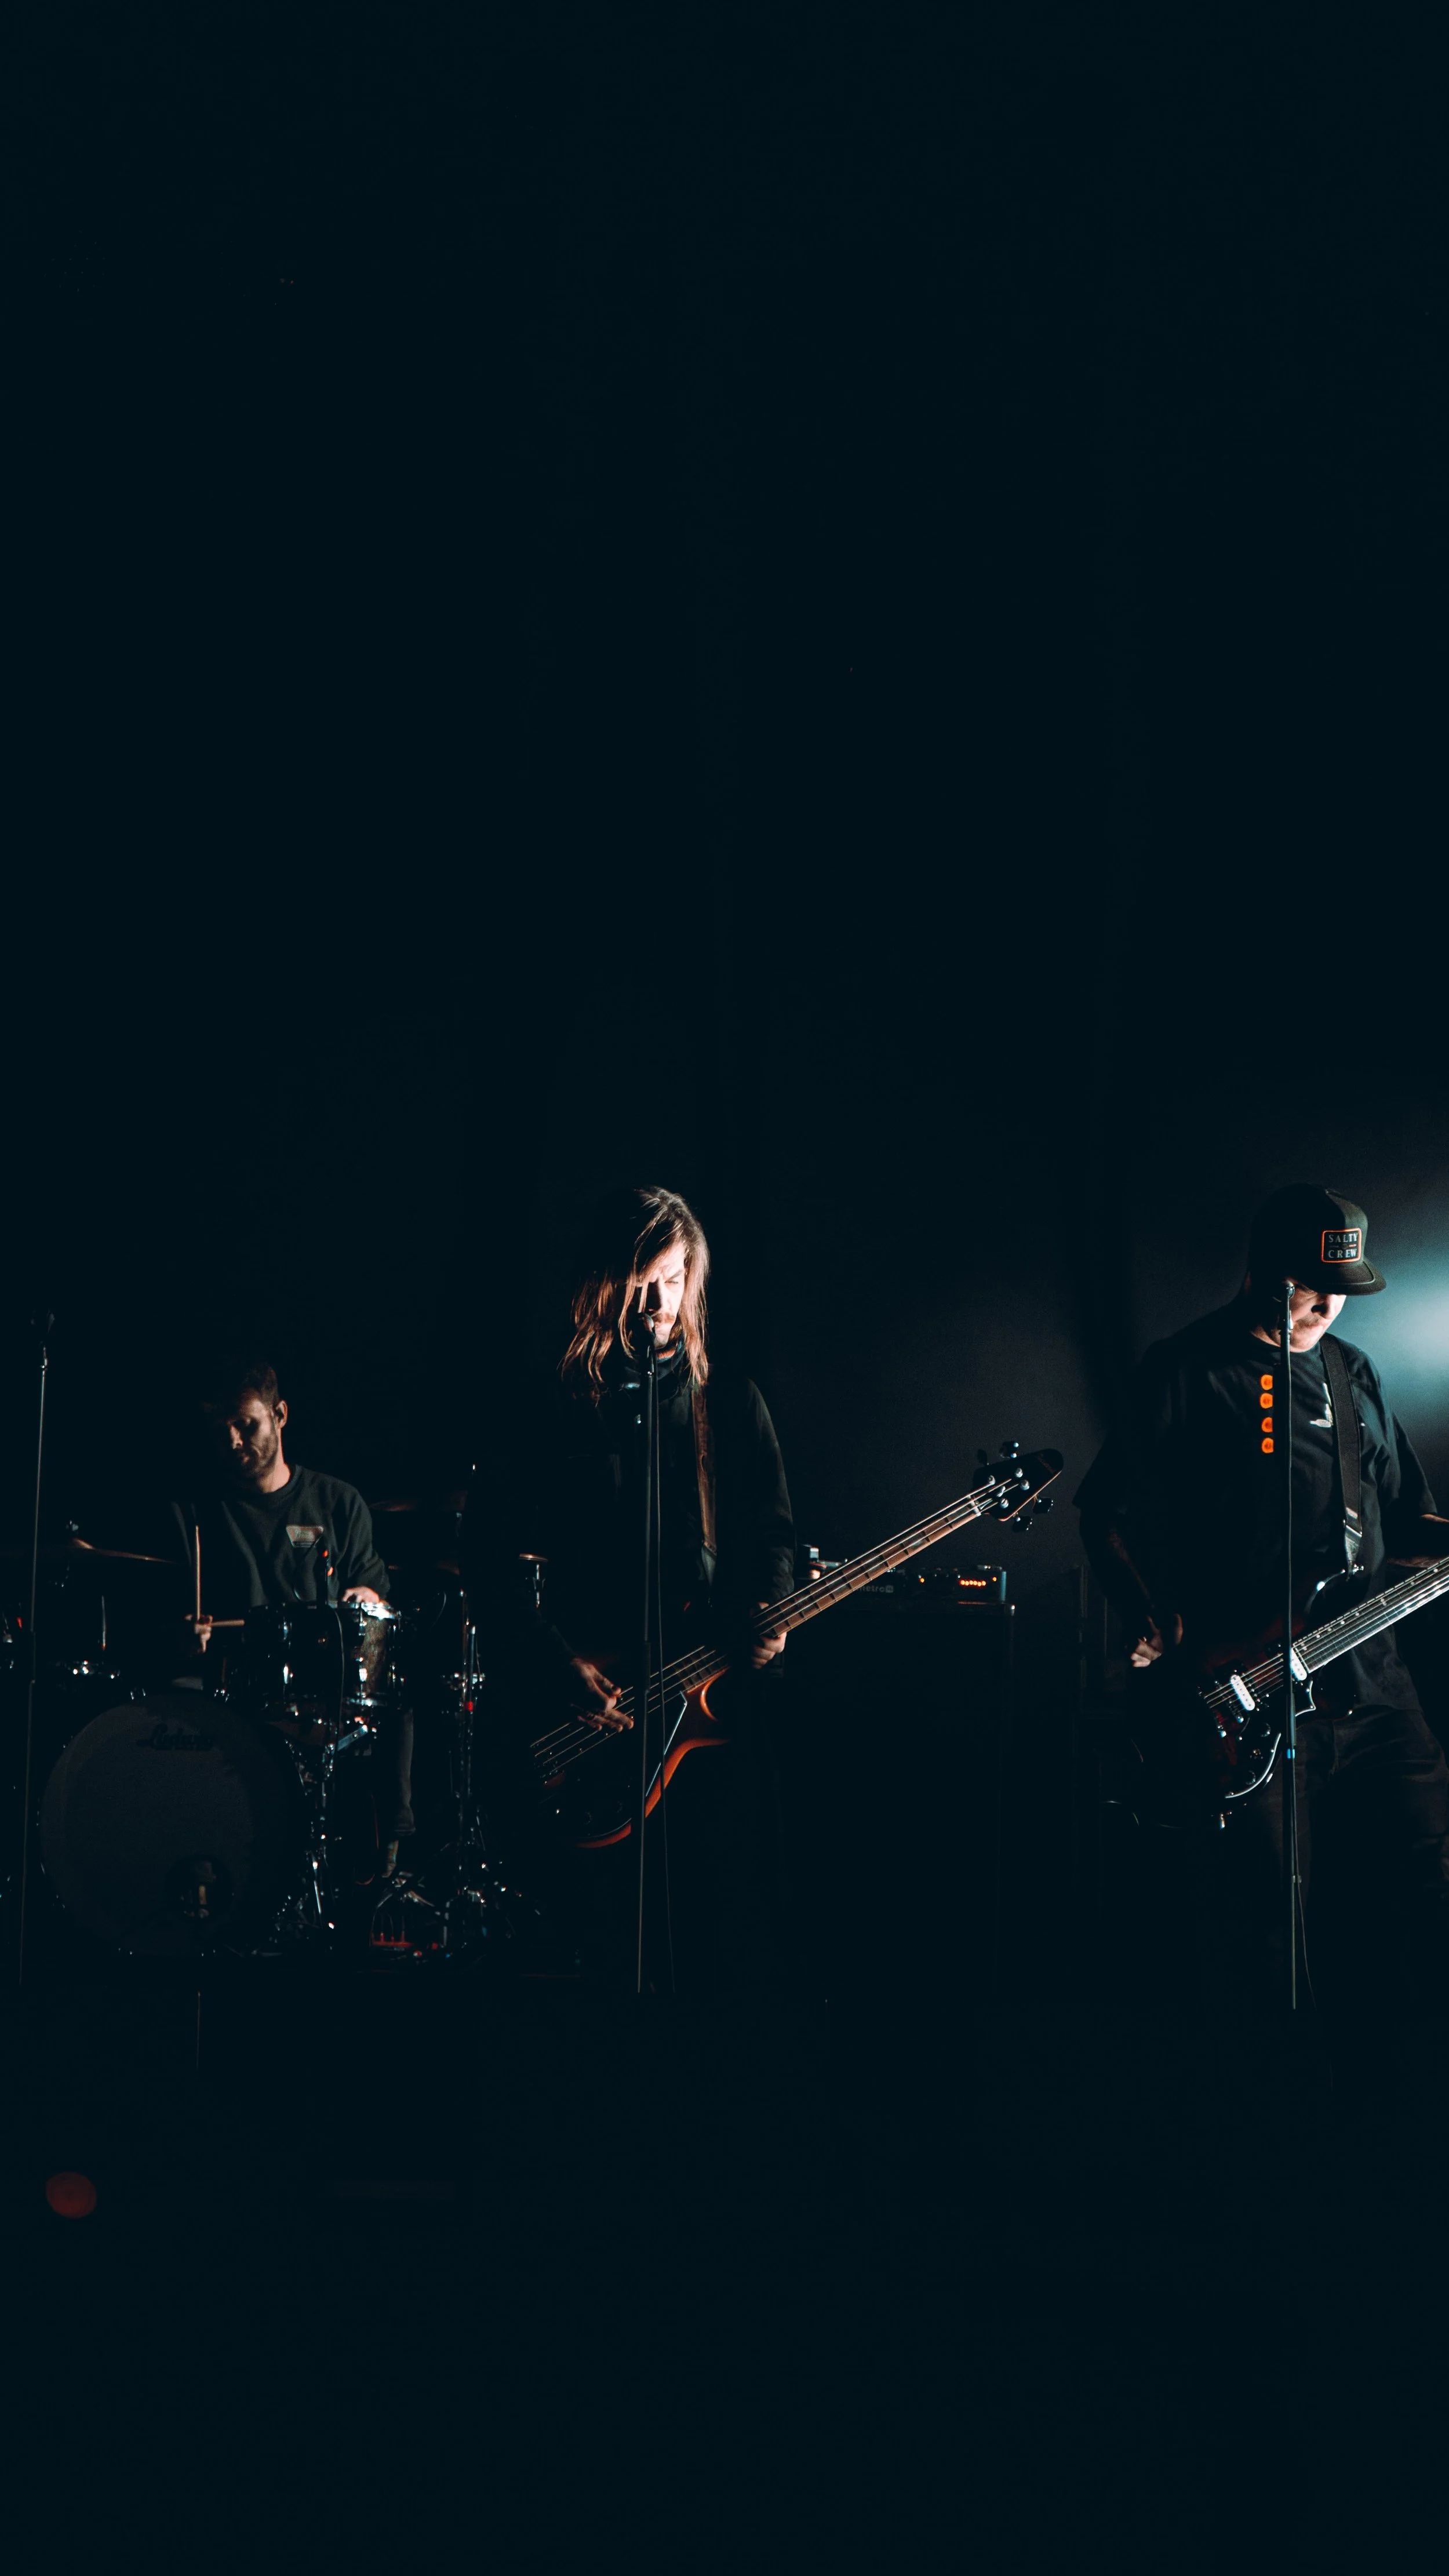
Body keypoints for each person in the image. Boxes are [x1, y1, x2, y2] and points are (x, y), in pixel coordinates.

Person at [1075, 1183, 1449, 2025]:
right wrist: (1147, 1615)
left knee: (1434, 1887)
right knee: (1263, 1943)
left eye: (1339, 1293)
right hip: (1247, 1697)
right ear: (1259, 1271)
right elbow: (1107, 1515)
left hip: (1374, 1689)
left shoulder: (1354, 1376)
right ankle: (1269, 2119)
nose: (1324, 1307)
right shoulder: (1184, 1369)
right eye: (1307, 1284)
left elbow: (1408, 1520)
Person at [463, 1184, 796, 1992]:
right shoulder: (551, 1410)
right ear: (605, 1284)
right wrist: (555, 1666)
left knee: (718, 1930)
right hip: (590, 1715)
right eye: (640, 1284)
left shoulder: (730, 1405)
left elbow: (775, 1537)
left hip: (706, 1720)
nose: (656, 1305)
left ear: (694, 1282)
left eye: (673, 1281)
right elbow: (484, 1556)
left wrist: (769, 1614)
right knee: (599, 1950)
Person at [164, 1358, 412, 1868]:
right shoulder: (193, 1513)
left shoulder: (339, 1503)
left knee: (401, 1698)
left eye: (246, 1424)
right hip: (231, 1690)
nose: (233, 1441)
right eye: (222, 1431)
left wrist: (366, 1597)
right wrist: (182, 1635)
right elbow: (164, 1619)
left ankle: (388, 1855)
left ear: (280, 1415)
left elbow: (376, 1596)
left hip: (324, 1689)